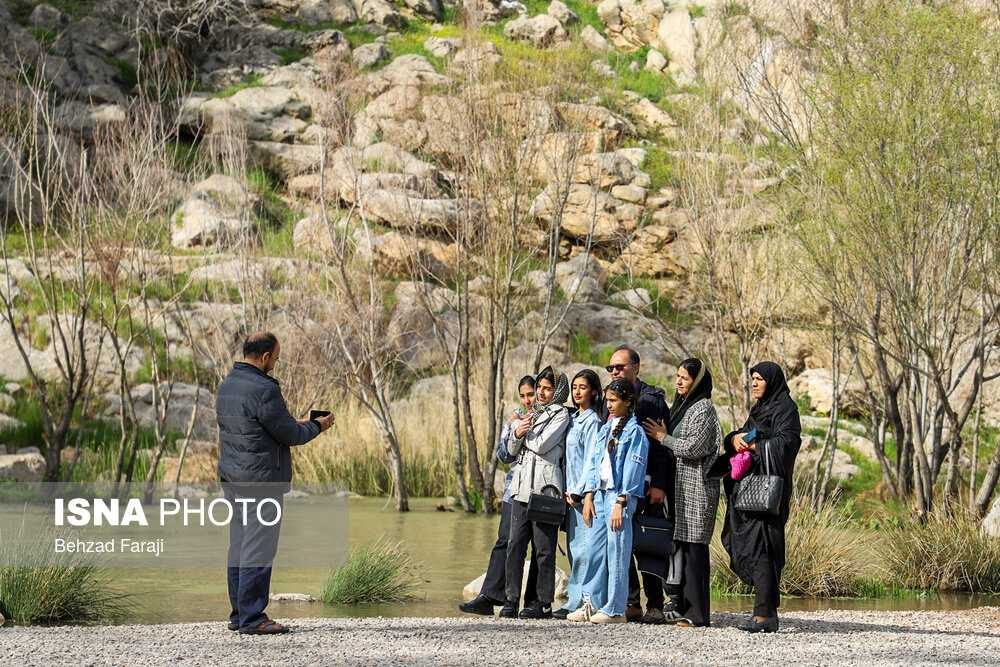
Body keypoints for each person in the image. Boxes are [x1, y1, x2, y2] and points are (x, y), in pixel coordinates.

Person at [216, 332, 334, 635]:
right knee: (259, 548)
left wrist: (293, 422)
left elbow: (258, 427)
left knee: (239, 546)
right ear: (265, 357)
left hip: (234, 479)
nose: (276, 363)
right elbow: (291, 436)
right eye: (276, 358)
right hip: (262, 482)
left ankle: (239, 615)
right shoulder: (264, 389)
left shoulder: (228, 385)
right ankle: (254, 619)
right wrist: (317, 425)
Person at [722, 361, 802, 634]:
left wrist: (757, 445)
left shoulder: (786, 409)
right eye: (752, 379)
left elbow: (788, 444)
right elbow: (743, 433)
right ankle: (764, 609)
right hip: (750, 491)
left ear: (773, 382)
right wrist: (735, 440)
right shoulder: (759, 409)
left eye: (759, 379)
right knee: (752, 548)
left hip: (770, 494)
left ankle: (764, 614)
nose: (754, 383)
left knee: (765, 550)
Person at [643, 358, 721, 628]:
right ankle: (684, 609)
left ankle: (698, 614)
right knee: (684, 551)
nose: (678, 382)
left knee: (695, 551)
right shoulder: (684, 408)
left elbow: (695, 447)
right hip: (682, 491)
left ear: (697, 382)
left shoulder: (704, 409)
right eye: (677, 376)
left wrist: (663, 438)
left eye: (685, 378)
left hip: (698, 490)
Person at [568, 379, 649, 624]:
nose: (609, 405)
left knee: (617, 551)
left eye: (614, 400)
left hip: (619, 496)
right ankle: (590, 602)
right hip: (600, 495)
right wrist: (589, 495)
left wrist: (622, 501)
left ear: (628, 402)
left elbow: (634, 469)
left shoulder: (635, 432)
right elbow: (594, 462)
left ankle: (614, 608)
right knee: (593, 549)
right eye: (608, 400)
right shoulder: (605, 428)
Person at [603, 346, 673, 623]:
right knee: (622, 541)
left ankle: (655, 602)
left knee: (648, 541)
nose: (615, 372)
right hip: (616, 485)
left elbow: (661, 446)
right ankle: (631, 601)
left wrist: (659, 483)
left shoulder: (652, 400)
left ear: (636, 367)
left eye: (619, 367)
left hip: (645, 483)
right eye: (611, 368)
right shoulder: (608, 400)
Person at [459, 376, 538, 615]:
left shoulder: (550, 417)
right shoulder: (515, 419)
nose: (527, 400)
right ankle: (490, 595)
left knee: (539, 547)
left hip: (540, 491)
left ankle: (533, 602)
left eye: (531, 394)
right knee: (505, 541)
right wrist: (516, 431)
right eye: (523, 395)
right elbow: (503, 455)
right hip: (513, 492)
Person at [502, 366, 570, 620]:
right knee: (515, 546)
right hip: (520, 489)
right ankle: (511, 600)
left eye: (547, 388)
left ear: (557, 391)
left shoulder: (561, 414)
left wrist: (520, 430)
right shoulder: (531, 414)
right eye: (539, 387)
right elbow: (511, 449)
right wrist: (515, 433)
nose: (541, 393)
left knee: (543, 548)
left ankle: (542, 602)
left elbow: (541, 445)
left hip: (545, 490)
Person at [553, 369, 604, 620]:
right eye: (574, 387)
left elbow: (592, 461)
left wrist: (582, 491)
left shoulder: (592, 421)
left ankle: (580, 602)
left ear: (594, 391)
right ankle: (575, 600)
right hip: (570, 494)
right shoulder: (574, 419)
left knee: (585, 550)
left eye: (582, 387)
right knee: (575, 549)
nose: (576, 391)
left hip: (583, 496)